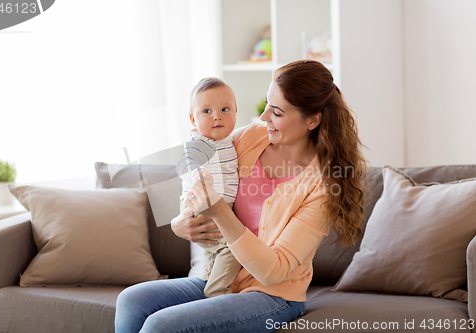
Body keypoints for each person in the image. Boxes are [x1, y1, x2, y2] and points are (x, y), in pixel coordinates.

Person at [114, 60, 367, 333]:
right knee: (131, 300)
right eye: (267, 104)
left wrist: (220, 212)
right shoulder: (250, 138)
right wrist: (179, 222)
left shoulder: (322, 186)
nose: (264, 117)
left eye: (277, 112)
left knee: (160, 325)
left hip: (272, 295)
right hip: (218, 276)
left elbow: (274, 272)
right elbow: (197, 168)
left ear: (312, 120)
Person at [175, 77, 241, 298]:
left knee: (216, 250)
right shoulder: (199, 143)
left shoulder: (231, 140)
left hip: (219, 208)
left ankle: (207, 283)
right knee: (234, 248)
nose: (217, 116)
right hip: (200, 205)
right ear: (193, 119)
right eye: (206, 111)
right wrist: (199, 175)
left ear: (235, 112)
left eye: (225, 109)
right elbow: (189, 162)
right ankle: (216, 294)